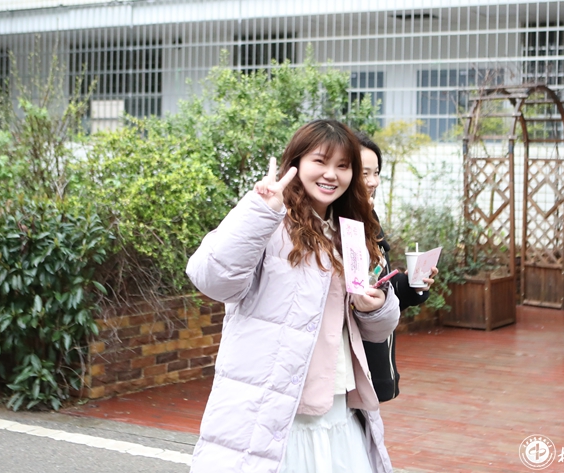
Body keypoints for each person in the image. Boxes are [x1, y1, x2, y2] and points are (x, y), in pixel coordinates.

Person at [186, 120, 400, 473]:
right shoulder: (269, 220)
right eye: (320, 161)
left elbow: (377, 331)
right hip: (272, 407)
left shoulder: (350, 232)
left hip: (339, 405)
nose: (331, 174)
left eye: (343, 166)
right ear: (296, 162)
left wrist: (374, 309)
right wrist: (260, 211)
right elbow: (211, 279)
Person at [356, 132, 438, 401]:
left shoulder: (369, 217)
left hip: (376, 357)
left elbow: (379, 284)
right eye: (364, 173)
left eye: (376, 173)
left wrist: (413, 284)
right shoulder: (341, 225)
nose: (373, 182)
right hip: (351, 366)